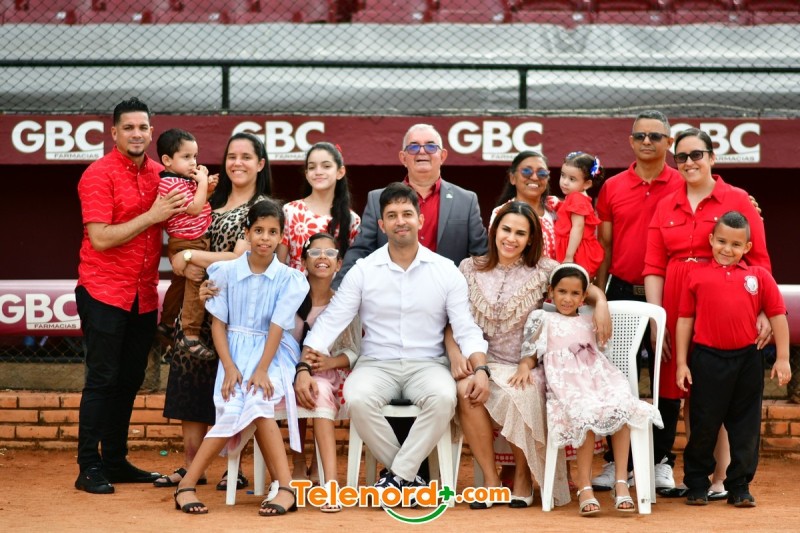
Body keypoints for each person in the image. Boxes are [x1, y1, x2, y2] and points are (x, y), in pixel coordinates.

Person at [296, 183, 489, 503]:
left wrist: (481, 368)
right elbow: (331, 321)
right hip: (376, 364)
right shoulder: (364, 271)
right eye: (392, 215)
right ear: (382, 224)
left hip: (428, 364)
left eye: (407, 214)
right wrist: (304, 365)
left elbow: (465, 328)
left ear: (420, 220)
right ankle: (409, 478)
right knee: (357, 397)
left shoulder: (445, 271)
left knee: (444, 398)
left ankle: (397, 476)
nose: (401, 221)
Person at [454, 202, 612, 510]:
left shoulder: (543, 270)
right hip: (482, 361)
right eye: (506, 230)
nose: (511, 238)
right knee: (464, 391)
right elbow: (453, 316)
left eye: (520, 233)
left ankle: (523, 477)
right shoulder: (469, 267)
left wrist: (601, 301)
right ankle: (491, 480)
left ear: (530, 239)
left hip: (525, 364)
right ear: (494, 231)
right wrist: (457, 355)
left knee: (520, 393)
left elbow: (581, 283)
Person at [644, 128, 772, 498]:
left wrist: (763, 310)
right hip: (677, 303)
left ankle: (722, 478)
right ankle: (697, 477)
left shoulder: (737, 199)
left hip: (726, 302)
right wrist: (656, 319)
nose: (689, 163)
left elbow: (759, 260)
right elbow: (654, 265)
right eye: (681, 157)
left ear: (712, 157)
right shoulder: (666, 202)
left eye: (696, 155)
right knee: (691, 391)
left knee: (725, 392)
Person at [74, 97, 188, 494]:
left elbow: (186, 221)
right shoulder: (98, 174)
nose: (136, 134)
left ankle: (114, 461)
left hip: (143, 295)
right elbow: (101, 238)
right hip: (103, 290)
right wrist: (153, 216)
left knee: (129, 380)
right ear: (114, 133)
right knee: (102, 379)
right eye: (128, 128)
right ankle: (88, 466)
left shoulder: (162, 174)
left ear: (152, 132)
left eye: (142, 127)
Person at [173, 199, 309, 516]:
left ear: (281, 237)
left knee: (259, 400)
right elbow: (218, 324)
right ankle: (186, 486)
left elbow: (277, 327)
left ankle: (286, 488)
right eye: (258, 230)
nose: (264, 238)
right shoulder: (225, 272)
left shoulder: (290, 279)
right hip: (233, 352)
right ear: (246, 233)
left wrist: (262, 369)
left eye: (272, 232)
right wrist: (230, 367)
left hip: (273, 354)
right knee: (233, 405)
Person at [155, 132, 272, 490]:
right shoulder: (207, 197)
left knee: (232, 390)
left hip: (237, 313)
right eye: (231, 156)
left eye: (246, 157)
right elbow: (178, 237)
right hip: (195, 309)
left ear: (260, 164)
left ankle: (233, 469)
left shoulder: (262, 208)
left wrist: (188, 256)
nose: (237, 163)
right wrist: (180, 258)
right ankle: (192, 466)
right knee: (190, 385)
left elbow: (240, 257)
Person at [522, 263, 663, 516]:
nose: (567, 299)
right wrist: (524, 367)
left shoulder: (591, 319)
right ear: (551, 291)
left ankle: (621, 481)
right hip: (567, 385)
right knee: (584, 411)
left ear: (583, 296)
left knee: (622, 406)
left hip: (599, 378)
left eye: (575, 293)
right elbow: (531, 353)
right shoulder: (543, 318)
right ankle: (584, 486)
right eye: (562, 291)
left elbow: (602, 351)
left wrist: (600, 305)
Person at [593, 110, 684, 492]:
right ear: (631, 141)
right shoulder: (613, 187)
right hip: (620, 293)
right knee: (614, 378)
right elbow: (605, 246)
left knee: (666, 379)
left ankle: (661, 461)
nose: (648, 141)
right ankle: (617, 463)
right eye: (641, 136)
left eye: (655, 136)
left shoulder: (682, 183)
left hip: (669, 295)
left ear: (669, 143)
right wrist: (597, 296)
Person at [675, 211, 791, 507]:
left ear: (747, 247)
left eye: (736, 244)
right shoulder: (696, 275)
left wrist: (783, 358)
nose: (727, 249)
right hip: (707, 359)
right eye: (722, 241)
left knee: (745, 428)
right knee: (704, 424)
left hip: (747, 360)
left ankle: (739, 486)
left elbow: (778, 315)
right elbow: (685, 320)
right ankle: (697, 483)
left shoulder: (759, 277)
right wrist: (682, 363)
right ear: (711, 240)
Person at [334, 123, 487, 287]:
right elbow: (361, 251)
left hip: (446, 293)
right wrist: (337, 289)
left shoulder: (466, 201)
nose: (422, 151)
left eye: (430, 146)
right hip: (390, 291)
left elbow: (481, 255)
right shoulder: (377, 199)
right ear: (403, 158)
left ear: (442, 156)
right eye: (413, 147)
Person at [288, 233, 361, 512]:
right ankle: (298, 462)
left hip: (328, 372)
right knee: (299, 386)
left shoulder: (343, 303)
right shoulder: (290, 298)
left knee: (317, 388)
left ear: (339, 264)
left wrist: (330, 363)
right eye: (315, 252)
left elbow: (354, 350)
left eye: (330, 253)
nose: (322, 258)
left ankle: (326, 476)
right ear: (303, 261)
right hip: (288, 369)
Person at [155, 128, 219, 358]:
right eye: (186, 157)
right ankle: (190, 334)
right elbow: (194, 209)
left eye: (195, 156)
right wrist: (201, 183)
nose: (193, 162)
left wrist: (206, 189)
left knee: (180, 284)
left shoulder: (180, 180)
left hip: (189, 240)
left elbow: (195, 204)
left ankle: (167, 323)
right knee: (195, 280)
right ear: (167, 160)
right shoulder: (170, 183)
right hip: (189, 241)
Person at [278, 142, 361, 271]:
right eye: (312, 167)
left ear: (340, 172)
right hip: (293, 283)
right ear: (306, 174)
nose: (318, 172)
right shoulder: (290, 211)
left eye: (326, 166)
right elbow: (279, 264)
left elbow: (351, 269)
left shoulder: (352, 219)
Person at [490, 151, 559, 259]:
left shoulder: (556, 209)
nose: (535, 177)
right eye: (527, 171)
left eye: (542, 173)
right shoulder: (500, 212)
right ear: (513, 178)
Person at [554, 152, 605, 279]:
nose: (565, 182)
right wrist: (558, 204)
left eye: (572, 179)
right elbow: (569, 215)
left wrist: (569, 256)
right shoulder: (576, 197)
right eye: (563, 175)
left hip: (575, 252)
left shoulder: (576, 198)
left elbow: (578, 227)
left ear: (587, 184)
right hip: (575, 248)